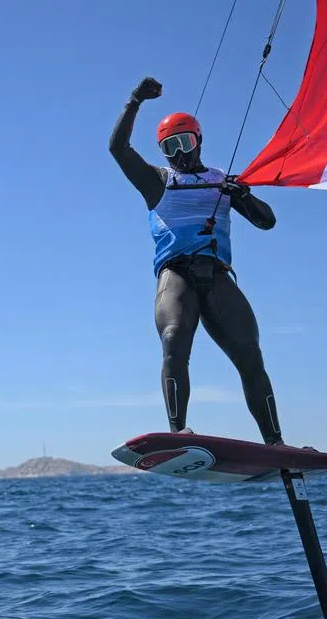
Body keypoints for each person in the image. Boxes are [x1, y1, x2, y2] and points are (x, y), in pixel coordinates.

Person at [109, 76, 284, 445]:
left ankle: (275, 442)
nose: (180, 153)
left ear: (198, 140)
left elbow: (267, 222)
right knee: (175, 339)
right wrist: (134, 101)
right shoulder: (157, 181)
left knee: (251, 356)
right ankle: (178, 432)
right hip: (177, 275)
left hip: (218, 276)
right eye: (170, 147)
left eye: (184, 142)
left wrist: (244, 196)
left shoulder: (223, 181)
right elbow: (118, 148)